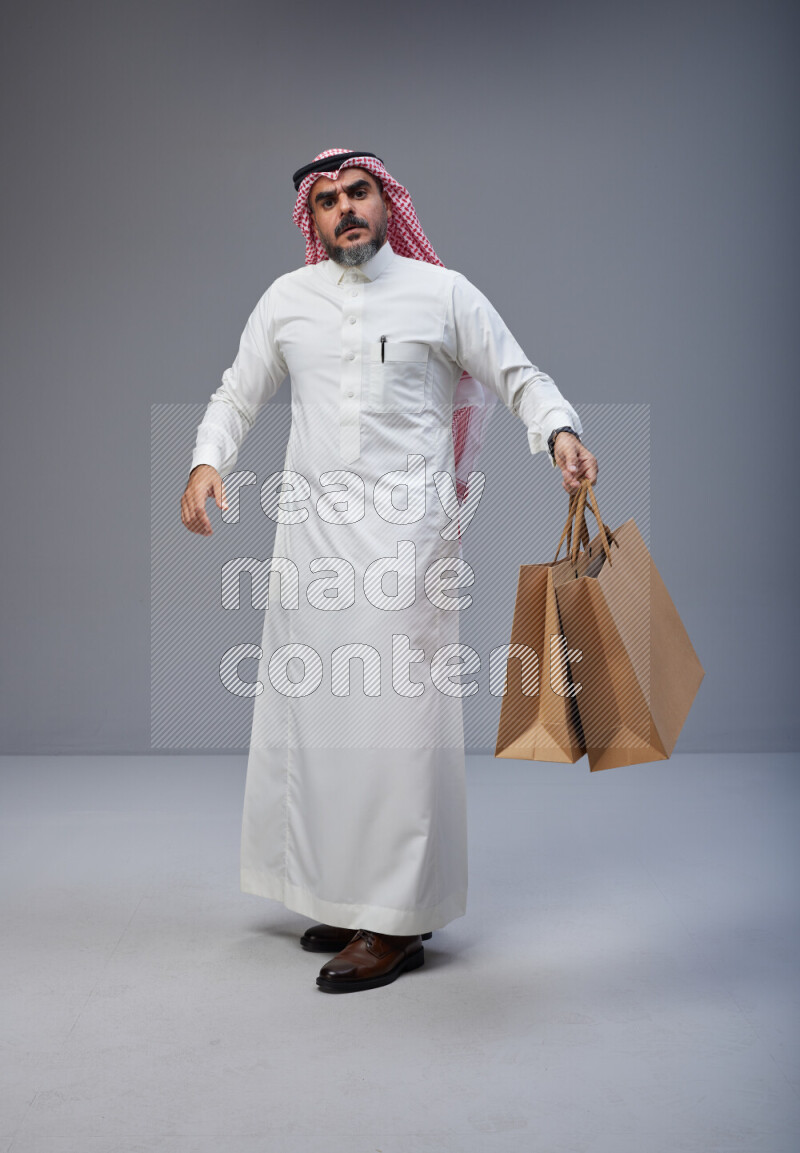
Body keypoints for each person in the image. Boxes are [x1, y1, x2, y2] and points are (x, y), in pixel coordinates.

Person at [181, 149, 598, 994]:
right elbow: (237, 392)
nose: (345, 210)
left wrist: (558, 431)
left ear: (385, 199)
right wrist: (205, 460)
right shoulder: (286, 302)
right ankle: (345, 896)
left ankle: (399, 920)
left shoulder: (441, 294)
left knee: (397, 730)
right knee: (323, 721)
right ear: (313, 217)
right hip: (311, 544)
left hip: (407, 541)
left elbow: (517, 374)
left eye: (358, 193)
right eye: (327, 201)